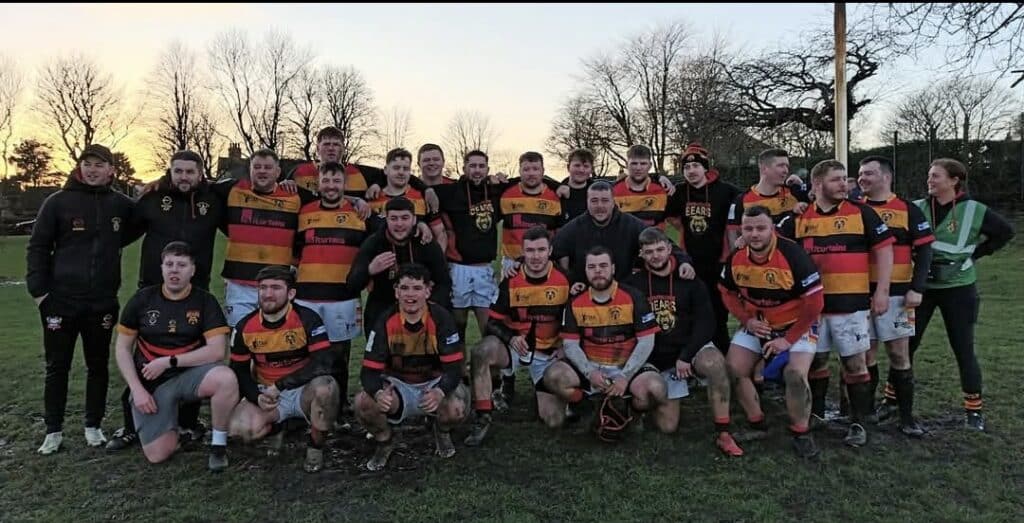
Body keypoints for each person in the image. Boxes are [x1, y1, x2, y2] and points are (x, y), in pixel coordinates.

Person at [107, 149, 223, 452]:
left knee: (192, 351)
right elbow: (121, 233)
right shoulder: (153, 198)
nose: (184, 177)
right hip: (153, 288)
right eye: (178, 171)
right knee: (144, 354)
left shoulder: (213, 200)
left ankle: (188, 423)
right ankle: (131, 425)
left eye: (190, 172)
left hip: (196, 288)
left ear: (200, 174)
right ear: (169, 173)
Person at [27, 143, 136, 455]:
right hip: (60, 301)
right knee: (57, 366)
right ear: (80, 167)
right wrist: (40, 292)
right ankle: (53, 430)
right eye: (87, 164)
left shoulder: (121, 205)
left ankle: (93, 425)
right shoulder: (57, 202)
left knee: (98, 366)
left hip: (101, 302)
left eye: (99, 165)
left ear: (111, 170)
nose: (92, 170)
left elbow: (140, 221)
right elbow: (37, 246)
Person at [779, 159, 895, 448]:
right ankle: (816, 413)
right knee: (816, 361)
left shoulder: (863, 213)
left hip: (851, 306)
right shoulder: (798, 218)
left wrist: (882, 291)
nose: (845, 184)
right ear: (817, 185)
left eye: (845, 178)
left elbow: (885, 251)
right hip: (811, 309)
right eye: (837, 179)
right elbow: (771, 243)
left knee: (855, 364)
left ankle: (858, 422)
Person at [908, 158, 1015, 431]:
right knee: (906, 345)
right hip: (922, 287)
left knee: (963, 348)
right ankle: (891, 400)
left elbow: (1005, 232)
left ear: (954, 181)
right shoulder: (918, 207)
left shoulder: (975, 210)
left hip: (959, 288)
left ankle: (974, 411)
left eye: (936, 176)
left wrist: (976, 254)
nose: (930, 180)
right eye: (929, 175)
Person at [113, 242, 238, 471]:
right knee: (158, 455)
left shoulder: (204, 301)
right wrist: (136, 389)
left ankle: (218, 445)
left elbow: (217, 350)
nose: (174, 270)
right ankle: (174, 425)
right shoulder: (142, 300)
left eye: (181, 265)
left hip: (188, 376)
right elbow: (122, 349)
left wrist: (169, 361)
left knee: (226, 378)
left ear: (192, 270)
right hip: (151, 384)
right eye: (169, 264)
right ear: (161, 268)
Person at [625, 227, 743, 455]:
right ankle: (635, 406)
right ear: (641, 254)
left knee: (715, 363)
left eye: (660, 249)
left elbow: (707, 322)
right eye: (649, 252)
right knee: (667, 427)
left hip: (686, 350)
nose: (656, 255)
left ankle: (723, 432)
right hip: (655, 358)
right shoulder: (633, 284)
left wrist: (686, 356)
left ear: (670, 249)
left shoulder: (689, 279)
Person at [720, 206, 824, 459]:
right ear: (741, 229)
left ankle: (801, 431)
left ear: (772, 229)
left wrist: (787, 340)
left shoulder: (793, 255)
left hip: (796, 325)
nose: (754, 234)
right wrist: (746, 320)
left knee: (795, 374)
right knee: (732, 369)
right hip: (759, 323)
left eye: (761, 228)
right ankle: (757, 421)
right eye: (748, 228)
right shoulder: (736, 256)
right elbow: (726, 292)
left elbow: (815, 304)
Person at [355, 263, 468, 471]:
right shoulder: (385, 320)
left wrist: (440, 391)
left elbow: (454, 369)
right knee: (363, 402)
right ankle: (385, 442)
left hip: (433, 382)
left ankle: (441, 431)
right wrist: (378, 393)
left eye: (417, 288)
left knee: (457, 408)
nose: (410, 294)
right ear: (396, 291)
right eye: (405, 288)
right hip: (398, 386)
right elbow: (368, 371)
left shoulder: (442, 318)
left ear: (428, 290)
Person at [229, 265, 341, 473]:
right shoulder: (244, 326)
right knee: (239, 429)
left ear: (291, 293)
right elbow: (238, 370)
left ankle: (315, 447)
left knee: (327, 388)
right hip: (268, 392)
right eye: (263, 288)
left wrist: (281, 385)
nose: (268, 294)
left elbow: (324, 362)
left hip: (302, 390)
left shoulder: (308, 318)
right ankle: (277, 428)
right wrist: (256, 396)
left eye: (276, 288)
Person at [465, 227, 571, 445]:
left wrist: (565, 346)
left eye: (541, 250)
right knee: (481, 351)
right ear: (522, 252)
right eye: (530, 250)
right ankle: (483, 415)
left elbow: (574, 323)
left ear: (550, 250)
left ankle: (546, 394)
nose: (535, 256)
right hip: (516, 347)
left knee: (554, 420)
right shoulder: (511, 280)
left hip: (548, 353)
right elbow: (492, 322)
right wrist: (511, 337)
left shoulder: (565, 280)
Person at [540, 246, 659, 436]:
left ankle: (632, 411)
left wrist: (625, 376)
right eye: (592, 267)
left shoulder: (633, 297)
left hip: (624, 366)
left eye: (603, 266)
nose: (598, 271)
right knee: (553, 376)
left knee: (656, 389)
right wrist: (589, 372)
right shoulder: (575, 302)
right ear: (585, 271)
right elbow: (570, 344)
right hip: (592, 365)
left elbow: (646, 341)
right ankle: (586, 406)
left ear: (613, 268)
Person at [855, 156, 934, 437]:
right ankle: (866, 413)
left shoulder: (907, 209)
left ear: (886, 177)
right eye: (860, 174)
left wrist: (918, 287)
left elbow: (925, 251)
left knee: (899, 354)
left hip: (899, 293)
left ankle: (907, 417)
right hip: (860, 293)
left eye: (869, 174)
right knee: (866, 353)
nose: (862, 178)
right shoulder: (854, 209)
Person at [294, 162, 372, 419]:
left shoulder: (359, 213)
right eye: (325, 181)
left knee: (339, 355)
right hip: (306, 297)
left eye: (336, 181)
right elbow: (295, 250)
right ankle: (305, 406)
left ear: (344, 184)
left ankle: (338, 409)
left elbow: (379, 240)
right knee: (306, 354)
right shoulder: (304, 212)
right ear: (318, 183)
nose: (330, 186)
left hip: (343, 297)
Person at [665, 142, 742, 353]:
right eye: (686, 168)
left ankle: (723, 356)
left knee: (718, 314)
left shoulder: (726, 191)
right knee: (691, 312)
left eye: (695, 166)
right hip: (690, 263)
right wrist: (658, 178)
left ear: (705, 167)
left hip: (718, 262)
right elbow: (667, 215)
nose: (691, 171)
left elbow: (751, 201)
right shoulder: (679, 193)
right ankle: (694, 358)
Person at [552, 181, 695, 289]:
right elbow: (550, 255)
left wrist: (684, 262)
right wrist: (570, 280)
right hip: (586, 294)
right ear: (587, 202)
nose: (600, 206)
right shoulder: (573, 228)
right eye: (594, 201)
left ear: (614, 202)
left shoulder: (631, 225)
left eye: (605, 200)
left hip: (624, 291)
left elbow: (664, 242)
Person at [348, 197, 452, 331]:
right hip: (383, 308)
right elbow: (352, 284)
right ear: (386, 219)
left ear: (414, 219)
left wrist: (430, 305)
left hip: (421, 308)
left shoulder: (426, 242)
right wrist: (369, 270)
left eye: (404, 218)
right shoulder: (374, 243)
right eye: (394, 218)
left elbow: (444, 282)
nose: (399, 224)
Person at [726, 148, 809, 248]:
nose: (786, 170)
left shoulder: (795, 192)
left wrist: (802, 185)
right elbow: (733, 238)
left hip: (791, 258)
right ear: (764, 168)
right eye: (780, 166)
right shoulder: (742, 200)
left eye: (787, 166)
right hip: (760, 261)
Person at [367, 148, 441, 243]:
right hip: (382, 255)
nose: (401, 172)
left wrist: (437, 257)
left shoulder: (423, 197)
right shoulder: (372, 198)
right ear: (385, 170)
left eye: (405, 169)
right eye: (396, 168)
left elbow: (440, 234)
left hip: (417, 257)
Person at [611, 145, 672, 229]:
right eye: (634, 163)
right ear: (626, 164)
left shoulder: (663, 189)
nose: (638, 168)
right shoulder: (614, 191)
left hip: (655, 240)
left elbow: (672, 224)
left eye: (643, 163)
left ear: (650, 165)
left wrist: (663, 239)